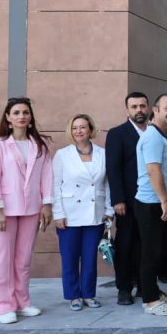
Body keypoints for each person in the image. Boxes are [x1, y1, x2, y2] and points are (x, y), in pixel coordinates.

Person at [0, 97, 52, 324]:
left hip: (31, 209)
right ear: (8, 118)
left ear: (30, 117)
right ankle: (3, 305)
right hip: (4, 211)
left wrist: (47, 205)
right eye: (16, 112)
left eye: (25, 112)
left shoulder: (39, 145)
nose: (21, 116)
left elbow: (46, 177)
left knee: (23, 259)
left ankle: (22, 302)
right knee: (3, 259)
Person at [52, 114, 111, 310]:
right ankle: (73, 295)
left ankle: (88, 294)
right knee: (69, 257)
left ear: (90, 130)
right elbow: (55, 186)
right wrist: (58, 214)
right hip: (70, 214)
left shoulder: (103, 154)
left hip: (95, 213)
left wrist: (109, 209)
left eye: (83, 127)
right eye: (75, 127)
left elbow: (108, 184)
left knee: (90, 257)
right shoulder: (62, 155)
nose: (79, 131)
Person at [133, 94, 167, 316]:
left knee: (158, 250)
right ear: (156, 110)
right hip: (152, 203)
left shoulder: (162, 135)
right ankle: (150, 301)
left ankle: (152, 291)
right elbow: (153, 170)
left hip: (159, 202)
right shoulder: (152, 137)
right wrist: (164, 201)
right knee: (150, 253)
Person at [105, 92, 149, 305]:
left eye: (142, 106)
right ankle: (124, 288)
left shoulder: (154, 132)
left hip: (151, 199)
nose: (139, 110)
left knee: (147, 245)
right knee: (125, 245)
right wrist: (118, 200)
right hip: (128, 201)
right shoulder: (117, 134)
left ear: (148, 108)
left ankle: (144, 285)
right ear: (127, 110)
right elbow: (113, 169)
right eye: (134, 106)